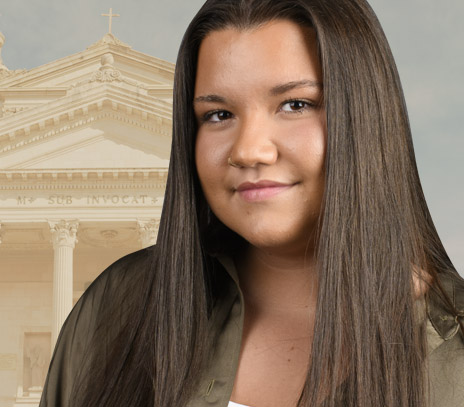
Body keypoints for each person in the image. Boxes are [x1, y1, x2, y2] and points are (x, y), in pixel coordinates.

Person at [40, 0, 464, 406]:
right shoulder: (113, 310)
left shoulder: (454, 352)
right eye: (218, 114)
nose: (248, 151)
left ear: (368, 117)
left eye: (295, 105)